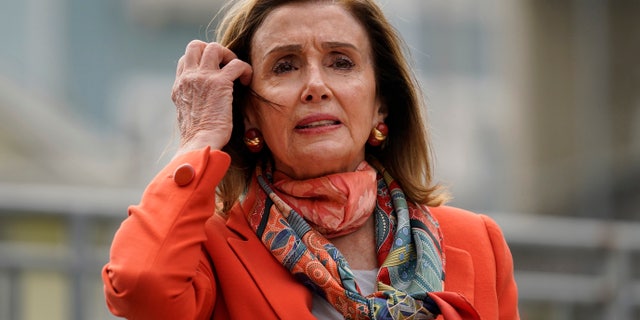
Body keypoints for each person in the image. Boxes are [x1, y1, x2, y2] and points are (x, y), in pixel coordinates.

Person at [102, 0, 520, 319]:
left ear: (381, 105)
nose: (315, 86)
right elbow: (140, 285)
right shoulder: (210, 251)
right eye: (285, 66)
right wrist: (199, 136)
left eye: (341, 62)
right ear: (248, 114)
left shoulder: (477, 241)